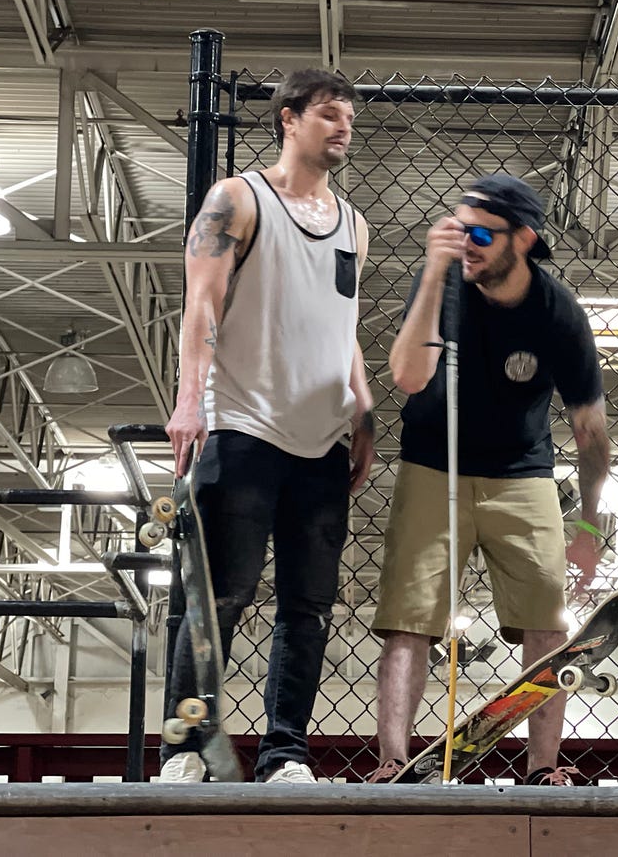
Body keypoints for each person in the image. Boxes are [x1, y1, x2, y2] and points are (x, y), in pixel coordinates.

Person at [159, 68, 376, 784]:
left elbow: (342, 324)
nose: (343, 127)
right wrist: (191, 400)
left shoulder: (353, 222)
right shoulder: (237, 199)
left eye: (348, 117)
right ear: (288, 118)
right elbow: (202, 304)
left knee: (308, 607)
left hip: (322, 439)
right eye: (329, 115)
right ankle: (187, 747)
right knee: (222, 595)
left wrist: (364, 403)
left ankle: (286, 751)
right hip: (244, 425)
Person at [367, 175, 611, 786]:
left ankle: (544, 766)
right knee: (408, 615)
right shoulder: (442, 286)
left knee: (548, 620)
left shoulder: (557, 312)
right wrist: (432, 271)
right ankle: (393, 760)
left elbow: (591, 433)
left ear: (523, 239)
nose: (466, 244)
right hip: (432, 464)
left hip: (521, 472)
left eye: (480, 233)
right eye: (458, 230)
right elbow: (407, 375)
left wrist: (587, 525)